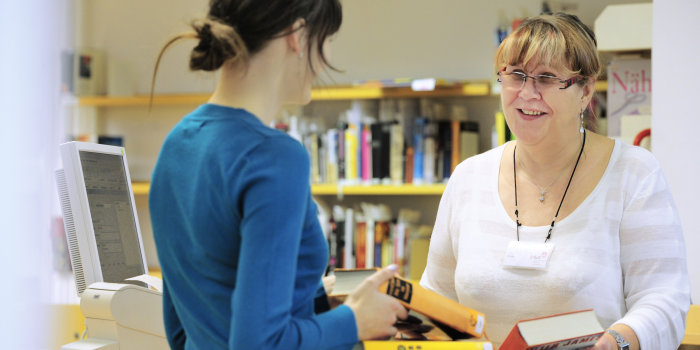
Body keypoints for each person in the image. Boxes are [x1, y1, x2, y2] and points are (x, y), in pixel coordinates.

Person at [420, 12, 690, 350]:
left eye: (547, 78)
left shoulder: (634, 174)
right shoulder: (468, 178)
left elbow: (664, 300)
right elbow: (436, 296)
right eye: (516, 75)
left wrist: (617, 342)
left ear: (585, 91)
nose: (527, 93)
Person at [148, 1, 407, 349]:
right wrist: (354, 320)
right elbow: (259, 343)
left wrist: (315, 302)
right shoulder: (273, 158)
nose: (327, 54)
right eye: (327, 38)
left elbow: (180, 327)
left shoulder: (176, 145)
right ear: (297, 36)